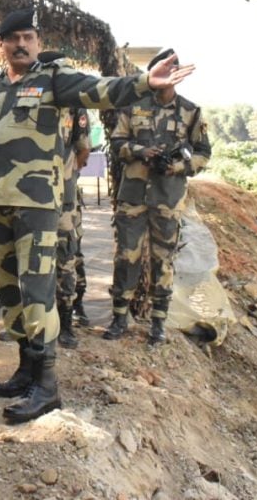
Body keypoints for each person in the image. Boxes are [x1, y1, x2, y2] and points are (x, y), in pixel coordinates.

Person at [0, 8, 193, 424]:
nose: (22, 44)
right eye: (14, 38)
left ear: (36, 41)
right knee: (10, 288)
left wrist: (143, 82)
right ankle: (26, 369)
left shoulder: (52, 80)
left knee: (37, 291)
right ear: (2, 46)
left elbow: (99, 90)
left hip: (38, 204)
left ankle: (47, 386)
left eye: (29, 37)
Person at [103, 48, 211, 345]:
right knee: (127, 257)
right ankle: (119, 317)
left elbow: (204, 153)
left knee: (163, 260)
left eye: (172, 72)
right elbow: (116, 142)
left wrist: (178, 166)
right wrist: (140, 151)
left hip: (168, 196)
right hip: (133, 195)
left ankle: (158, 324)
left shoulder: (190, 111)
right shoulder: (132, 107)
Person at [37, 50, 93, 347]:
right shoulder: (30, 99)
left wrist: (65, 176)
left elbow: (83, 151)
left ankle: (66, 319)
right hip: (31, 193)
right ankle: (28, 320)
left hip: (63, 195)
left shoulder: (76, 105)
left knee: (65, 255)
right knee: (30, 257)